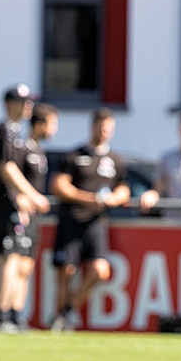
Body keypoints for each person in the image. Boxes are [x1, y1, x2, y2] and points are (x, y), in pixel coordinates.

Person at [0, 84, 51, 332]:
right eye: (23, 102)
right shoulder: (6, 130)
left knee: (8, 258)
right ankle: (2, 315)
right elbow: (7, 168)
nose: (28, 106)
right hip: (2, 203)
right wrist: (33, 196)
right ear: (9, 104)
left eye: (29, 102)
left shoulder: (13, 132)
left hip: (6, 202)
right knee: (10, 258)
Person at [50, 107, 130, 332]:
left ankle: (69, 309)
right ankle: (60, 321)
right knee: (67, 271)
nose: (105, 132)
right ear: (93, 127)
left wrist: (115, 198)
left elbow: (124, 189)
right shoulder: (75, 156)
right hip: (71, 219)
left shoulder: (115, 160)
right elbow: (59, 186)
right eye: (102, 128)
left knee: (100, 271)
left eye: (109, 129)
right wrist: (90, 199)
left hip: (96, 223)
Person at [0, 102, 59, 333]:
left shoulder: (39, 151)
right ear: (39, 125)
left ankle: (16, 314)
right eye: (52, 125)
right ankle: (2, 314)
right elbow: (11, 179)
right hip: (21, 213)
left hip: (34, 216)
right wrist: (20, 201)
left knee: (26, 266)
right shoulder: (21, 148)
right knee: (13, 261)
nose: (55, 130)